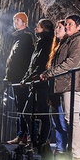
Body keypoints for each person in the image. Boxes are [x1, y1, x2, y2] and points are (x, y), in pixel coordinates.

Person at [39, 15, 80, 160]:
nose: (67, 26)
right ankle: (73, 152)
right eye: (66, 24)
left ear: (79, 27)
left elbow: (72, 62)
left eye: (70, 24)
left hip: (73, 84)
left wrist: (49, 73)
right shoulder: (67, 41)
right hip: (65, 84)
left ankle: (76, 155)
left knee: (72, 119)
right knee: (68, 119)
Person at [21, 19, 55, 150]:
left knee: (43, 113)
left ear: (45, 29)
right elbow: (32, 64)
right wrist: (26, 78)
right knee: (27, 113)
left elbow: (40, 63)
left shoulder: (46, 43)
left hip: (41, 83)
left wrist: (29, 78)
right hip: (34, 83)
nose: (35, 28)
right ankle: (35, 139)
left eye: (38, 27)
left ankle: (41, 141)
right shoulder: (40, 42)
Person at [4, 12, 35, 144]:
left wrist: (23, 77)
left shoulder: (26, 38)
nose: (15, 22)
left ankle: (25, 135)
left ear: (24, 23)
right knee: (19, 107)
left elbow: (23, 59)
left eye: (18, 20)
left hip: (21, 79)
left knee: (22, 106)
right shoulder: (19, 37)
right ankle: (21, 134)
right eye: (14, 20)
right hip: (17, 78)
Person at [47, 20, 68, 154]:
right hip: (53, 88)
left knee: (63, 120)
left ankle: (65, 147)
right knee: (57, 121)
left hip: (62, 87)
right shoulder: (56, 47)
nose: (57, 29)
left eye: (60, 27)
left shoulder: (66, 46)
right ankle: (60, 147)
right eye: (56, 27)